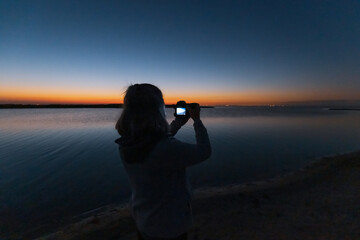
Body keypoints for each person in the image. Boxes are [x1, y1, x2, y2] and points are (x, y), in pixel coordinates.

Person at [115, 83, 211, 240]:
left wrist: (178, 123)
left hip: (144, 219)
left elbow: (156, 140)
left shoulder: (127, 143)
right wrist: (197, 121)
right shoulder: (164, 148)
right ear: (157, 109)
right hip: (169, 226)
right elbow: (204, 151)